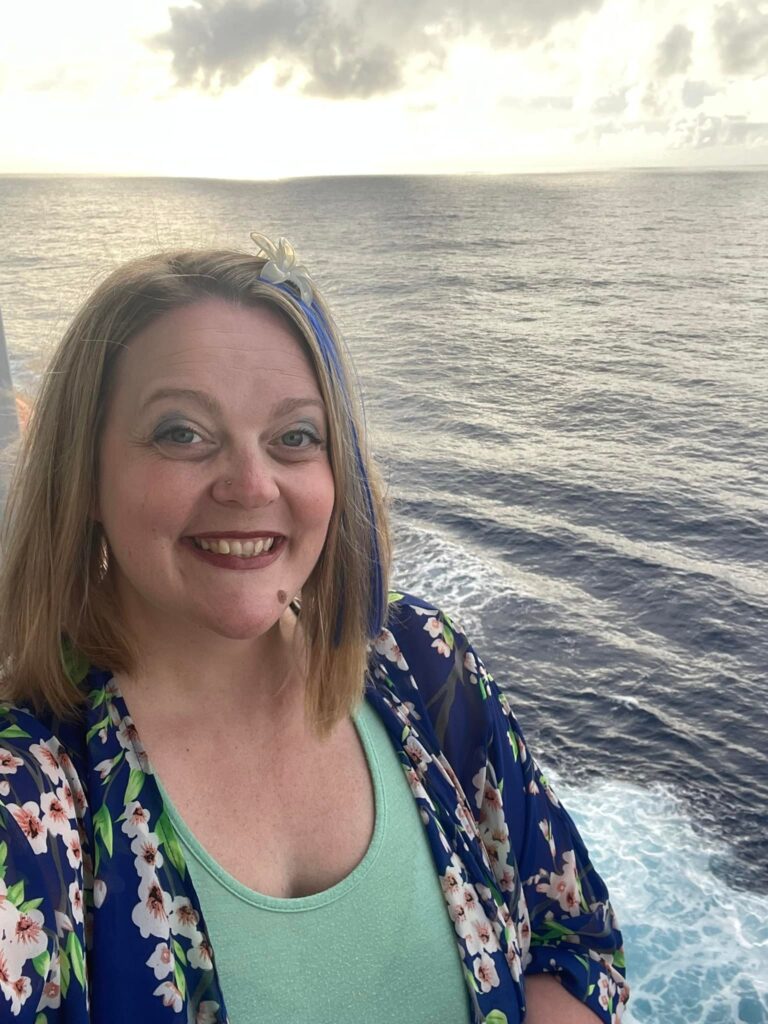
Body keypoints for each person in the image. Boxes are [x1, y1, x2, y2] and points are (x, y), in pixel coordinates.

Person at [0, 235, 629, 1023]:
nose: (251, 484)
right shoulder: (29, 794)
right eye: (181, 433)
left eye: (295, 437)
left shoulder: (420, 665)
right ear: (84, 473)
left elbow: (576, 948)